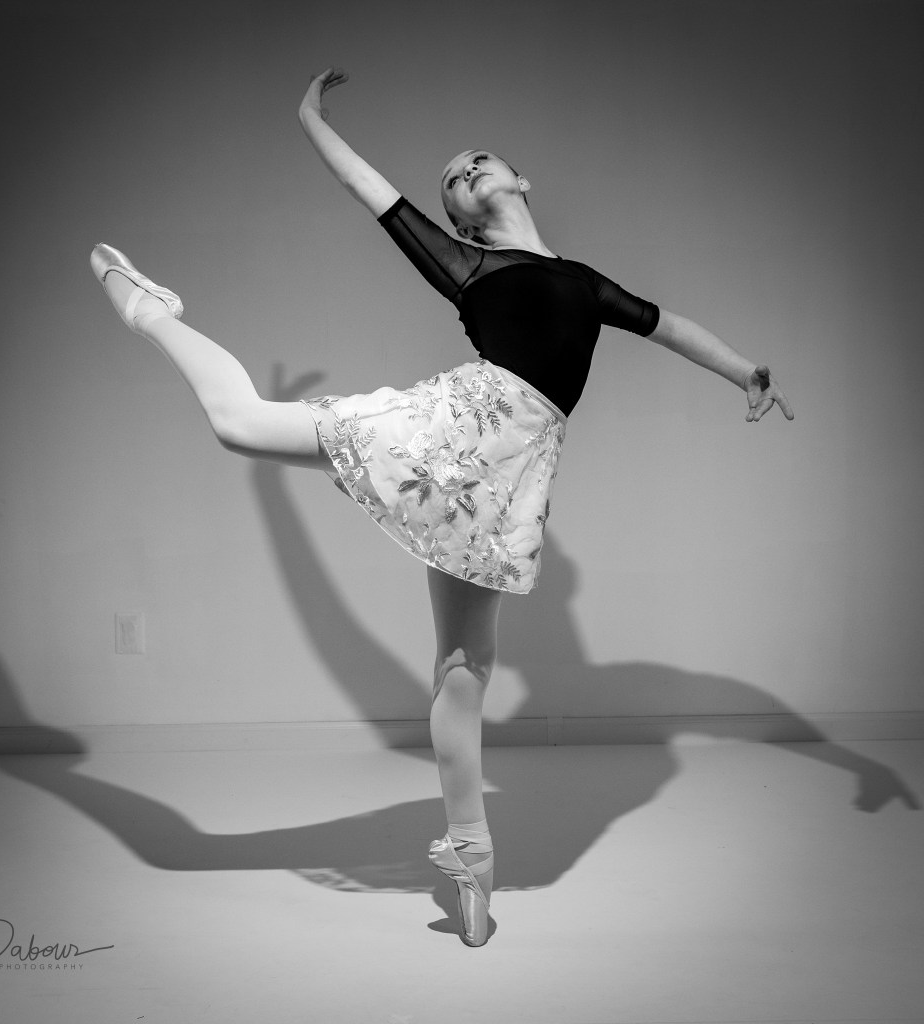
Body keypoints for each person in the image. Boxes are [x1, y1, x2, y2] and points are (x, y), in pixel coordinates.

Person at [90, 67, 794, 947]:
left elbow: (670, 325)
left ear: (521, 180)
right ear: (458, 222)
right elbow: (372, 193)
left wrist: (745, 372)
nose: (464, 171)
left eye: (478, 161)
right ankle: (155, 314)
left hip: (511, 479)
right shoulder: (470, 267)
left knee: (465, 671)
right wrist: (311, 119)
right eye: (452, 179)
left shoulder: (584, 281)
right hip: (448, 435)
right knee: (240, 423)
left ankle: (471, 856)